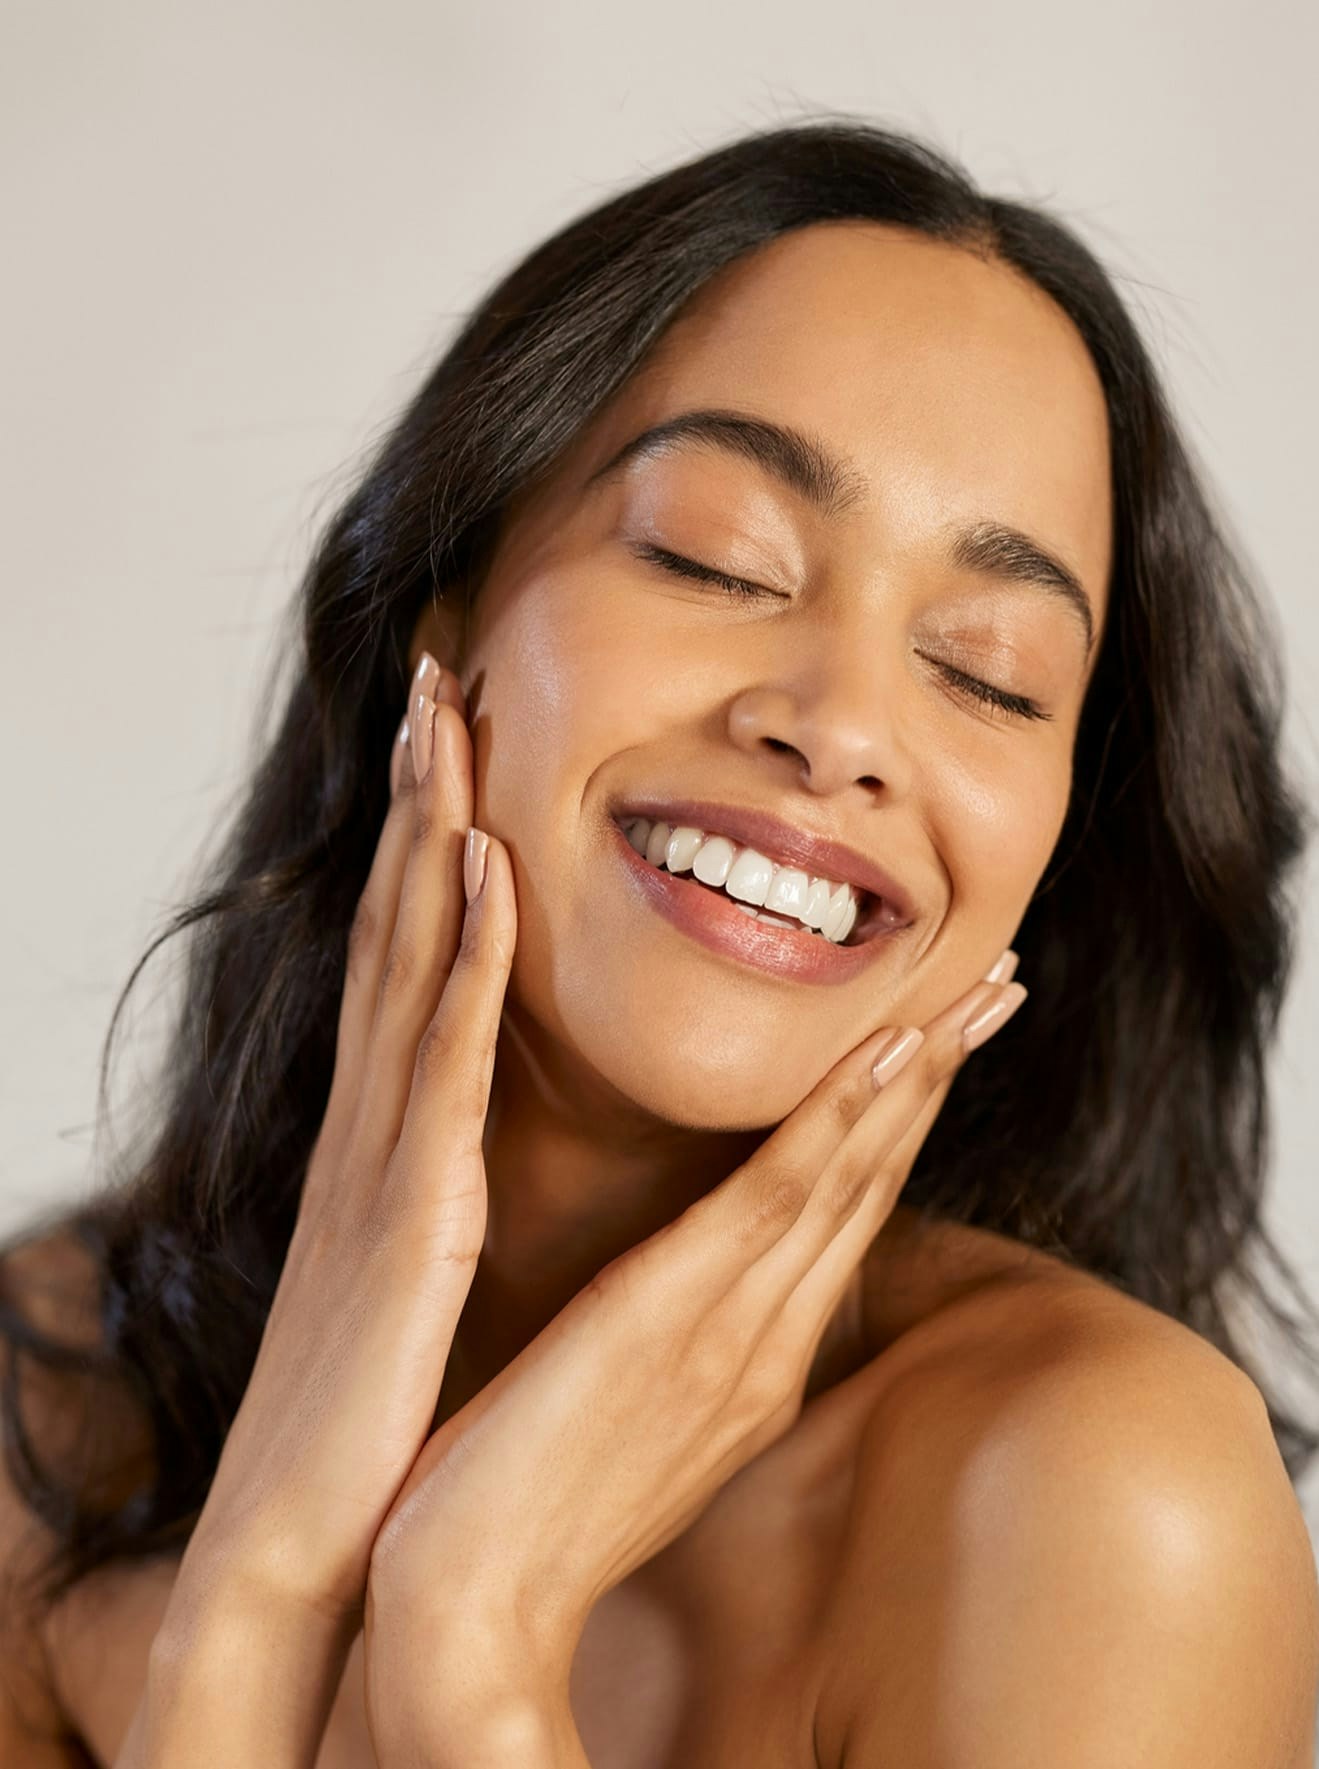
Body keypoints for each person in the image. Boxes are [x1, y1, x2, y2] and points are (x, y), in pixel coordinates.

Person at [1, 117, 1316, 1767]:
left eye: (989, 672)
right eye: (715, 556)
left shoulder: (1093, 1494)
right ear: (446, 613)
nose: (842, 728)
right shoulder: (46, 1402)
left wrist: (475, 1648)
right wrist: (258, 1598)